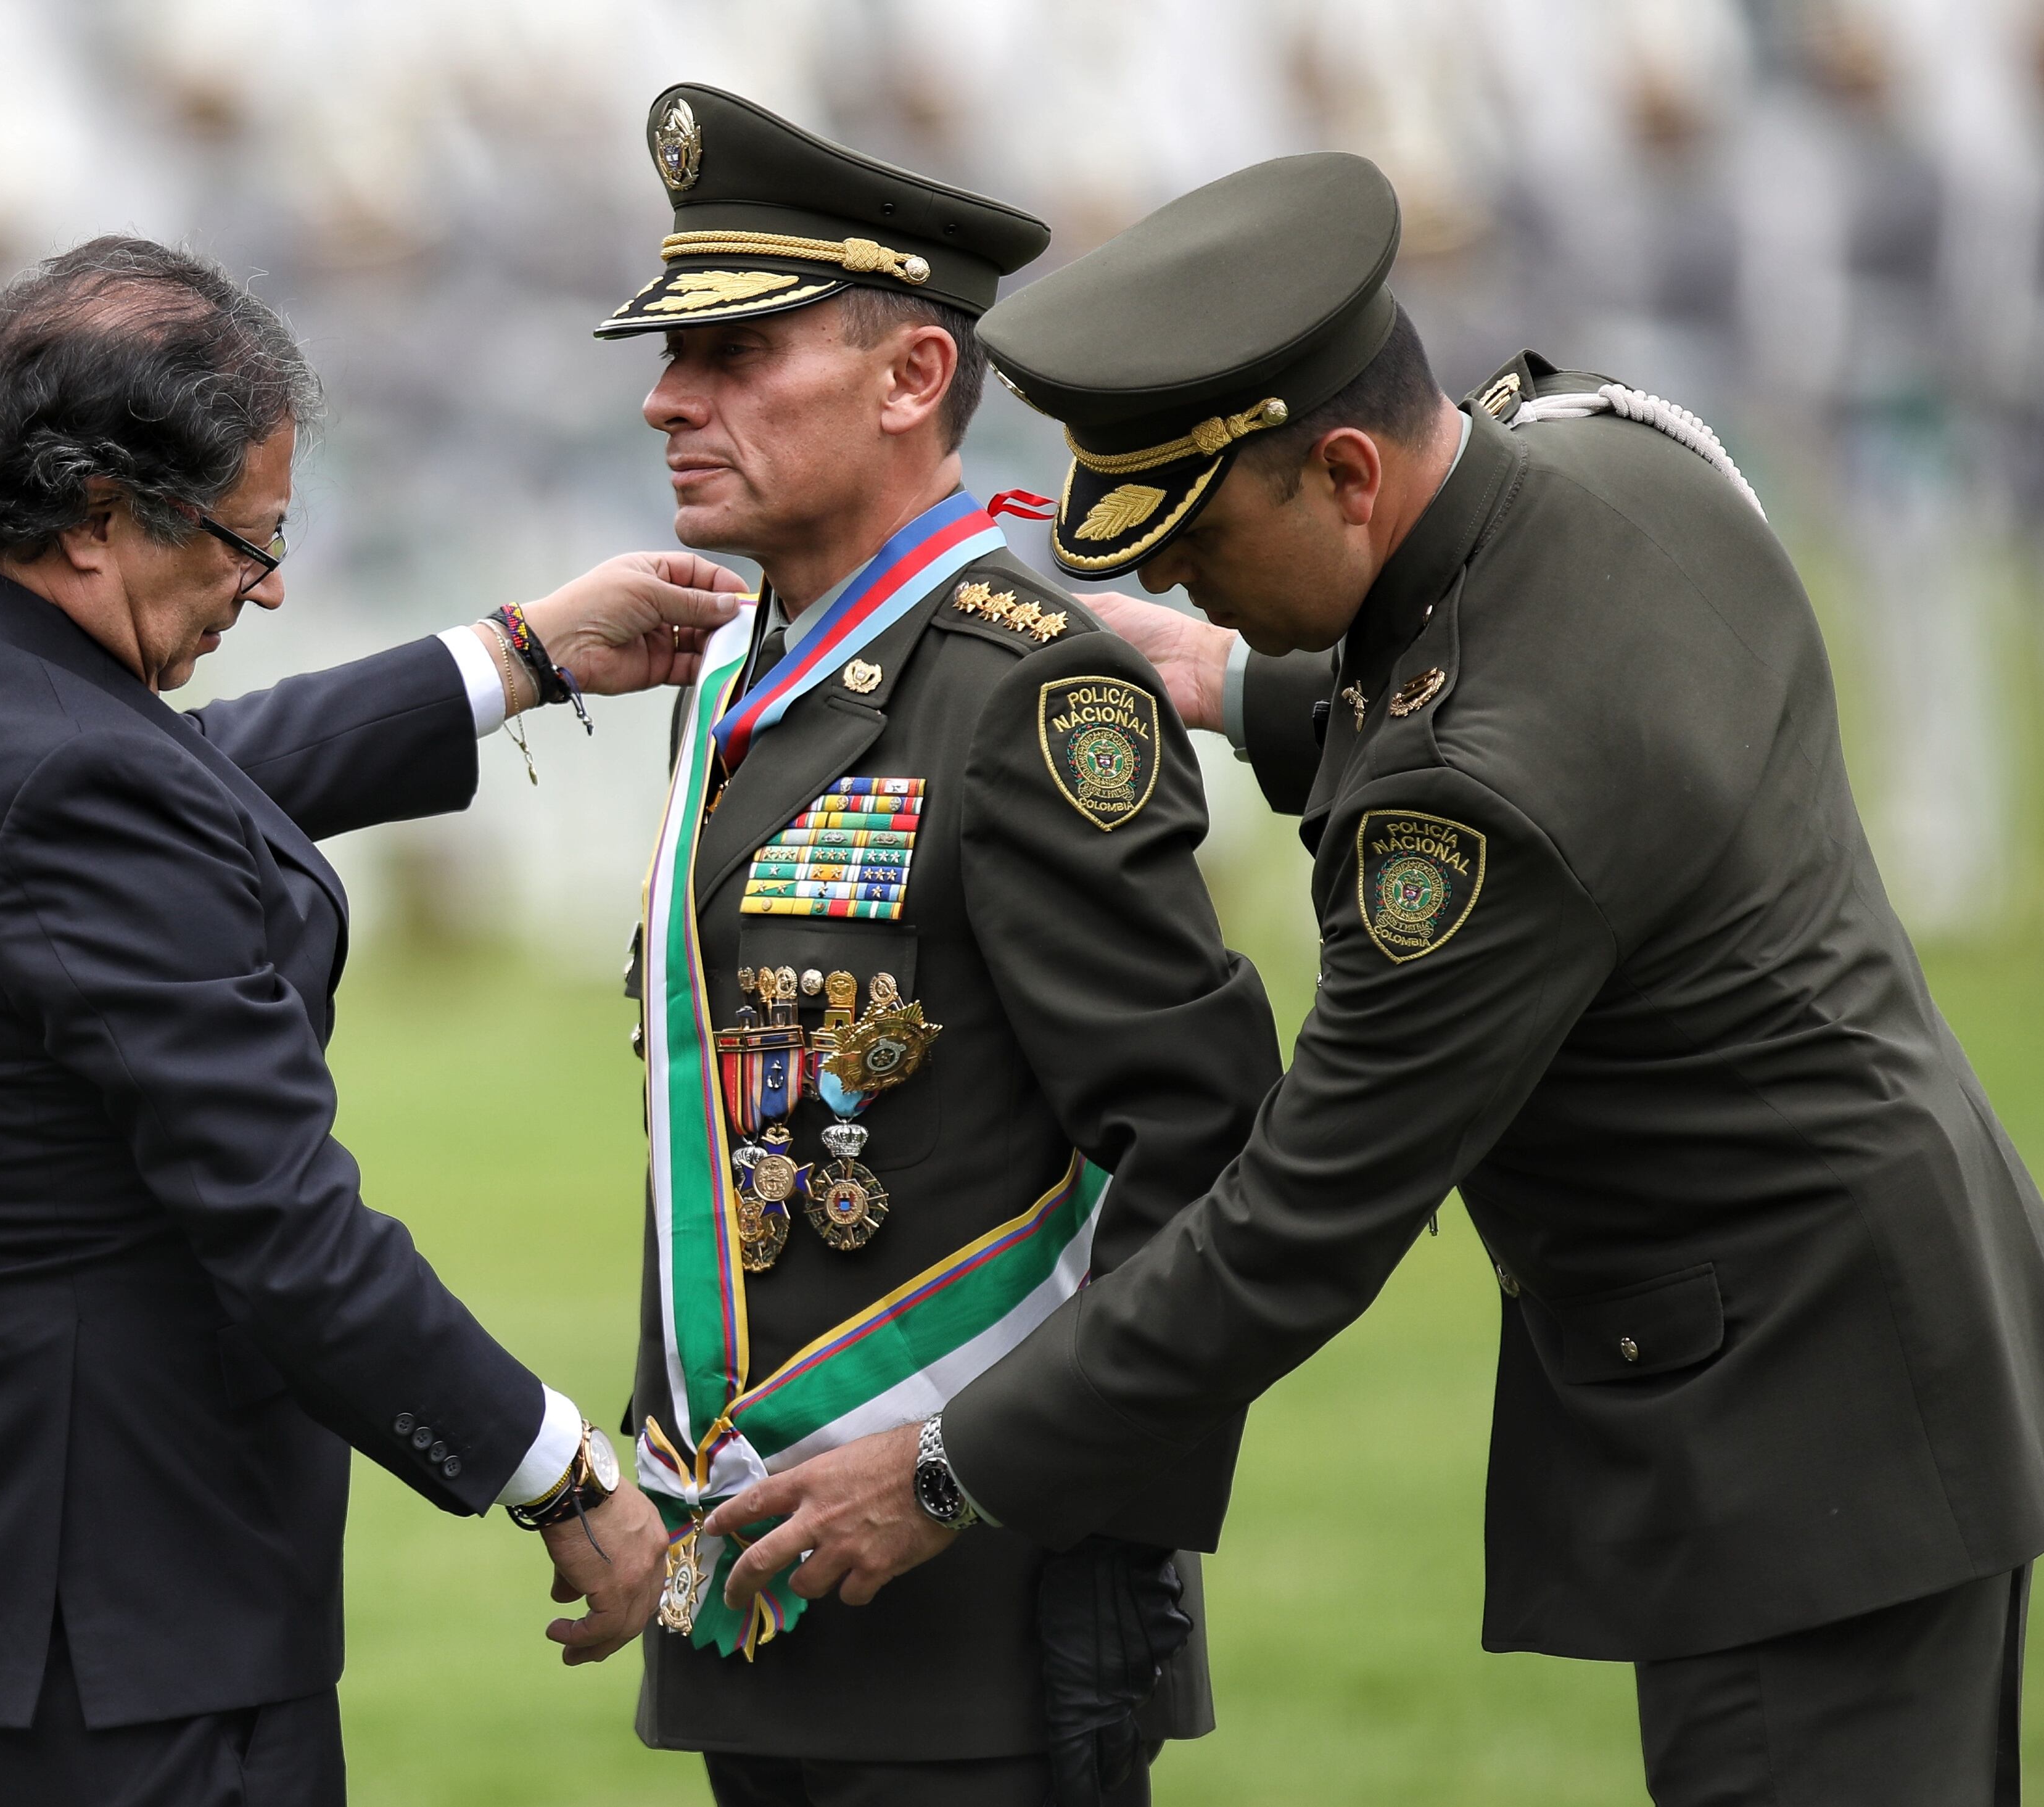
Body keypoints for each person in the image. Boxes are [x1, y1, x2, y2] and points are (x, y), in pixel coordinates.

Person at [706, 152, 2044, 1805]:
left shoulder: (1465, 818)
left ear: (1344, 469)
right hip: (1905, 1322)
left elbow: (1294, 1225)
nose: (1175, 591)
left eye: (1201, 551)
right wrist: (1253, 689)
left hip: (1791, 1432)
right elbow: (1543, 676)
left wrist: (936, 1470)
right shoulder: (1612, 448)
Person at [0, 237, 744, 1807]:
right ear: (93, 518)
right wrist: (558, 1464)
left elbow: (162, 779)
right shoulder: (76, 782)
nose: (267, 586)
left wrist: (514, 660)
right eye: (246, 539)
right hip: (124, 1620)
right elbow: (286, 1230)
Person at [597, 87, 1283, 1807]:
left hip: (978, 1612)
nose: (671, 396)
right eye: (677, 352)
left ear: (914, 381)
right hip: (769, 1584)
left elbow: (1195, 1143)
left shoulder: (1024, 682)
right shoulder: (740, 671)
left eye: (739, 352)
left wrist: (964, 1471)